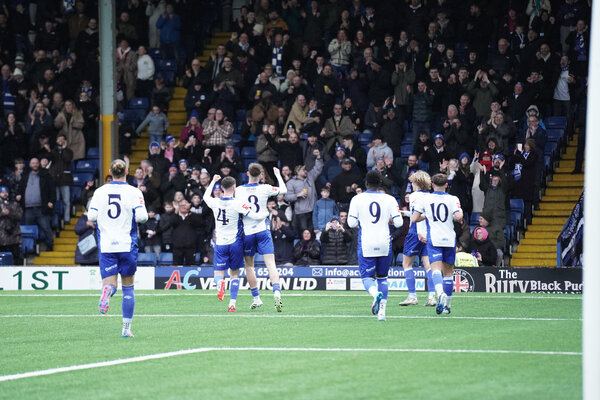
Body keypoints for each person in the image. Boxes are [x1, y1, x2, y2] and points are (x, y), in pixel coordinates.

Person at [87, 159, 149, 338]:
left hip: (107, 244)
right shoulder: (134, 191)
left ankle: (107, 292)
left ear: (110, 172)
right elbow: (143, 217)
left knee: (110, 283)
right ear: (127, 172)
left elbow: (91, 216)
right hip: (126, 244)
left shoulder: (100, 191)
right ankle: (126, 329)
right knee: (128, 288)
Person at [203, 174, 267, 312]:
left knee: (218, 274)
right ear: (234, 188)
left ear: (221, 188)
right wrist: (265, 214)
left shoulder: (215, 202)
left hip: (220, 243)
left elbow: (205, 196)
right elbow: (254, 215)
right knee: (234, 275)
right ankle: (232, 304)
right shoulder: (237, 203)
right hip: (235, 243)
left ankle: (220, 284)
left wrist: (212, 181)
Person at [347, 170, 403, 321]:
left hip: (367, 241)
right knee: (382, 278)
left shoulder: (357, 199)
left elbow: (351, 223)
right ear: (380, 183)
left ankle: (374, 294)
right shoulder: (390, 199)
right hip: (384, 242)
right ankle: (382, 312)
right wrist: (388, 219)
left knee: (367, 277)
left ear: (366, 183)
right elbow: (399, 223)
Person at [236, 164, 287, 312]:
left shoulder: (239, 190)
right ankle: (277, 293)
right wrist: (278, 175)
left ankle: (256, 298)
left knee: (249, 266)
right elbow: (283, 190)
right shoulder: (265, 188)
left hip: (247, 232)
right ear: (260, 175)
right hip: (263, 230)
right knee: (271, 264)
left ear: (247, 174)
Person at [411, 173, 463, 315]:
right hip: (449, 238)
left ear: (432, 185)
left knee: (435, 269)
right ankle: (447, 306)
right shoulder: (453, 199)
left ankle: (440, 293)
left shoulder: (425, 199)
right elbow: (458, 216)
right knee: (448, 273)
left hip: (434, 238)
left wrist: (426, 215)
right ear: (446, 185)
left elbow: (414, 218)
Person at [398, 171, 437, 307]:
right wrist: (406, 213)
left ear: (416, 183)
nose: (412, 185)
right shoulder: (431, 196)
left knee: (407, 264)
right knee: (429, 266)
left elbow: (417, 216)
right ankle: (431, 297)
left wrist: (420, 232)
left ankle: (412, 296)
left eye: (412, 182)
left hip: (416, 233)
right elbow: (423, 213)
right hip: (429, 233)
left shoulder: (414, 195)